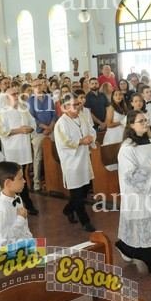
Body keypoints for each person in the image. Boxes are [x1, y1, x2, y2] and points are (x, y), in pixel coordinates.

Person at [115, 110, 151, 278]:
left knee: (148, 223)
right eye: (141, 121)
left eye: (146, 120)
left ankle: (125, 246)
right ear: (131, 125)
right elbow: (129, 176)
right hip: (137, 195)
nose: (146, 123)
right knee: (144, 223)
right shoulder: (127, 148)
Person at [54, 94, 97, 232]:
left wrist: (91, 138)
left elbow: (91, 130)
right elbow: (64, 142)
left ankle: (68, 209)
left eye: (78, 104)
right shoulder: (61, 123)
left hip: (84, 159)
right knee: (77, 193)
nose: (77, 107)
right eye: (74, 105)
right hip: (71, 162)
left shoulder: (82, 117)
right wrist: (80, 141)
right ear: (65, 107)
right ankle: (85, 222)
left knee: (84, 190)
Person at [0, 88, 39, 215]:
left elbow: (33, 123)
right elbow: (1, 132)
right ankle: (21, 204)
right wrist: (19, 130)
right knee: (14, 177)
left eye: (17, 93)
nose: (16, 96)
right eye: (13, 94)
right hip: (12, 150)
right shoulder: (3, 112)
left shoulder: (23, 109)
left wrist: (30, 129)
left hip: (24, 148)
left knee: (21, 175)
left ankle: (24, 203)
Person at [0, 161, 33, 250]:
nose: (24, 181)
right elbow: (2, 242)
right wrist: (20, 220)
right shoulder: (1, 209)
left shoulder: (17, 199)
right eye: (20, 178)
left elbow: (24, 229)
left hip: (26, 248)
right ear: (8, 183)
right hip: (11, 254)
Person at [28, 78, 57, 192]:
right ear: (32, 88)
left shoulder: (49, 98)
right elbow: (32, 118)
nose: (38, 87)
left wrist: (50, 127)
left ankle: (55, 181)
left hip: (51, 130)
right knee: (38, 157)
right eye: (35, 86)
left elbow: (54, 114)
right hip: (39, 132)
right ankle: (36, 182)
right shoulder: (30, 100)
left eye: (39, 85)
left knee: (55, 154)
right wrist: (45, 127)